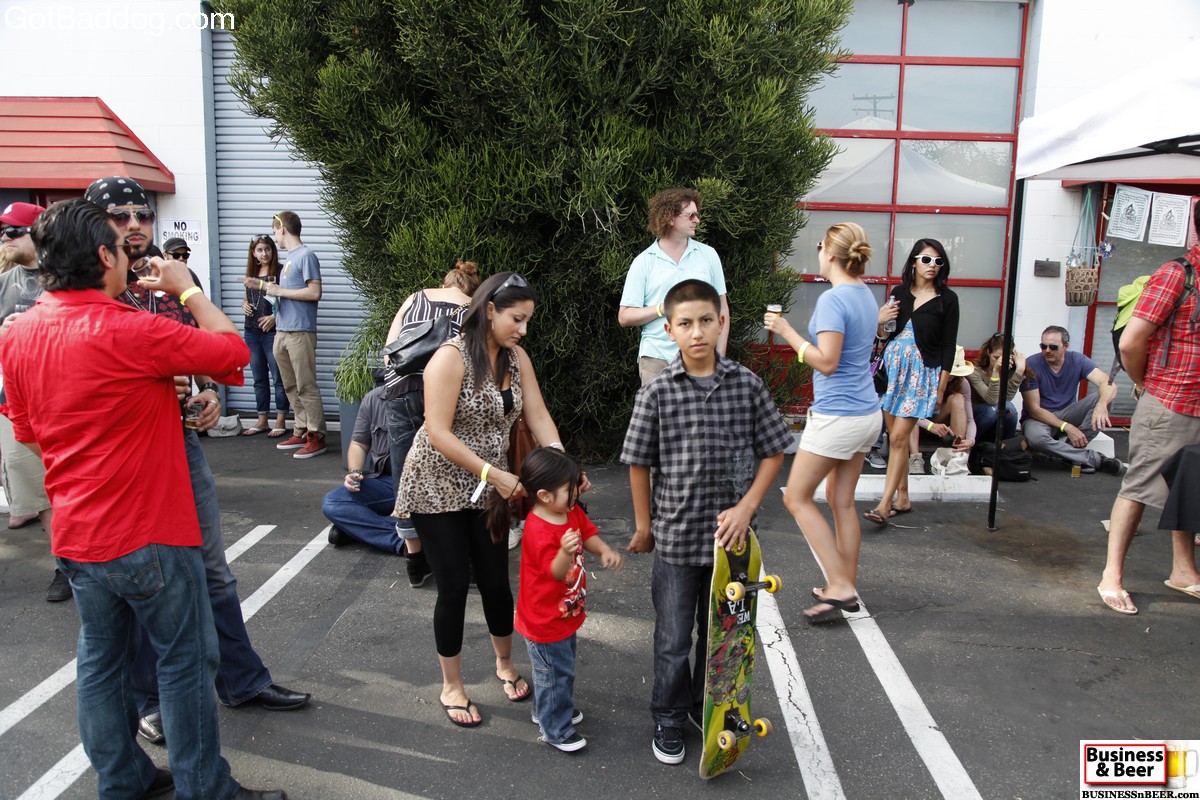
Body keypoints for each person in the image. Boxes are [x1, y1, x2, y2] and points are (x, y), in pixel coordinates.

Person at [0, 197, 285, 800]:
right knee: (185, 661)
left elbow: (26, 432)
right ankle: (204, 788)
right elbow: (232, 352)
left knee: (100, 663)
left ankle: (123, 780)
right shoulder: (131, 328)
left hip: (77, 532)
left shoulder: (19, 332)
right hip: (149, 527)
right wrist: (187, 289)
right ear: (105, 257)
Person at [83, 175, 311, 749]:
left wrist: (206, 394)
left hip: (180, 444)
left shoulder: (168, 281)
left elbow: (206, 358)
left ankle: (240, 680)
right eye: (120, 216)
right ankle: (151, 703)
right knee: (145, 581)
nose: (135, 225)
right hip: (122, 459)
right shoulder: (88, 290)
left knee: (213, 571)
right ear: (95, 225)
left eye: (142, 214)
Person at [621, 278, 791, 765]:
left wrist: (747, 506)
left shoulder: (747, 385)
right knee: (673, 640)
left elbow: (774, 451)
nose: (697, 332)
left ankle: (707, 709)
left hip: (731, 545)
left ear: (721, 323)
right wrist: (644, 526)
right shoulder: (657, 393)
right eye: (685, 323)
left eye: (706, 321)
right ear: (669, 330)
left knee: (724, 638)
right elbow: (638, 463)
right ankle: (669, 715)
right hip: (676, 539)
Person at [396, 271, 574, 728]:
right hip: (436, 482)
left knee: (496, 580)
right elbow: (437, 432)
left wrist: (563, 465)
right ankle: (451, 685)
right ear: (490, 310)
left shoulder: (516, 358)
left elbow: (537, 414)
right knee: (454, 585)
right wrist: (493, 474)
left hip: (490, 484)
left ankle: (504, 663)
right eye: (517, 319)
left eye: (528, 320)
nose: (523, 329)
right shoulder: (450, 357)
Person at [763, 223, 881, 623]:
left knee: (796, 497)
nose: (817, 252)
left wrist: (787, 332)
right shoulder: (864, 294)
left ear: (830, 254)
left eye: (819, 246)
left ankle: (841, 586)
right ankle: (844, 584)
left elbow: (827, 362)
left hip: (838, 416)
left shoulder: (834, 299)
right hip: (866, 413)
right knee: (841, 500)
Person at [1096, 204, 1200, 615]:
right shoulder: (1177, 274)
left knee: (1190, 487)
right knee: (1138, 486)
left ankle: (1183, 571)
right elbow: (1130, 342)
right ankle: (1111, 576)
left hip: (1196, 404)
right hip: (1169, 401)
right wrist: (1147, 383)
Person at [514, 447, 624, 753]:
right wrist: (564, 551)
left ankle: (547, 709)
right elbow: (554, 572)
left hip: (563, 613)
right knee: (555, 674)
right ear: (544, 495)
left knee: (557, 671)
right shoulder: (538, 528)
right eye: (569, 488)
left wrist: (603, 549)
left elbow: (586, 533)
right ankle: (556, 729)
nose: (576, 491)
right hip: (544, 620)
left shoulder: (568, 510)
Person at [384, 260, 480, 588]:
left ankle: (416, 562)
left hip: (400, 391)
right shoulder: (474, 308)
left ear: (446, 282)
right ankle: (464, 562)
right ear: (471, 287)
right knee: (455, 470)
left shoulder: (415, 298)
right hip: (446, 394)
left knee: (405, 473)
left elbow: (388, 351)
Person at [865, 239, 959, 525]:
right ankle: (903, 497)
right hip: (892, 372)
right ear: (915, 262)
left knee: (896, 439)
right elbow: (885, 335)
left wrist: (941, 387)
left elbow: (948, 346)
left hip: (921, 374)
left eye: (938, 261)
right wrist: (879, 321)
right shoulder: (899, 293)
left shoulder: (947, 299)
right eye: (927, 259)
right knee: (897, 440)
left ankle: (884, 505)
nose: (932, 266)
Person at [0, 201, 62, 600]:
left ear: (36, 234)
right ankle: (65, 567)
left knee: (70, 488)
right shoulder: (4, 282)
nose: (4, 238)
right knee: (39, 497)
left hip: (62, 402)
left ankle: (80, 565)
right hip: (15, 404)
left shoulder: (64, 277)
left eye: (11, 231)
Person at [618, 188, 730, 386]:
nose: (697, 220)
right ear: (670, 218)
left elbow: (722, 309)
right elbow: (624, 316)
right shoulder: (644, 262)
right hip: (657, 358)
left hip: (701, 356)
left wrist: (719, 357)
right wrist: (662, 308)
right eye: (690, 215)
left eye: (697, 214)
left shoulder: (709, 255)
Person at [248, 211, 325, 459]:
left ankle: (316, 435)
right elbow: (285, 294)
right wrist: (267, 289)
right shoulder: (290, 258)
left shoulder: (306, 256)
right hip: (282, 330)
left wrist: (280, 291)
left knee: (305, 384)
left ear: (282, 229)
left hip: (300, 331)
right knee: (290, 384)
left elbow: (314, 292)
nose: (274, 237)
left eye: (274, 231)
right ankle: (301, 428)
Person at [1019, 325, 1123, 475]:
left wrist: (1101, 405)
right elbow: (1034, 410)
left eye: (1053, 347)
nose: (1047, 350)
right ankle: (1095, 459)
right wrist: (1067, 427)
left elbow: (1108, 384)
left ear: (1066, 346)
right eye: (1043, 346)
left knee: (1106, 397)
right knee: (1037, 439)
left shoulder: (1077, 360)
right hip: (1039, 418)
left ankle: (1072, 451)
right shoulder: (1031, 364)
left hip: (1067, 413)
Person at [322, 384, 406, 555]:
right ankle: (403, 541)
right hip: (386, 482)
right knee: (333, 502)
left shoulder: (431, 394)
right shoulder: (374, 398)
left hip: (422, 486)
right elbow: (358, 444)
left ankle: (360, 529)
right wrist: (355, 472)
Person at [240, 234, 289, 437]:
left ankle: (280, 419)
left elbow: (288, 300)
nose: (264, 253)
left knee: (278, 376)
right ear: (253, 253)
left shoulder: (280, 272)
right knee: (259, 377)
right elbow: (246, 297)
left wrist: (274, 317)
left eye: (267, 249)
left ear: (273, 250)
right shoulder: (251, 273)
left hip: (272, 331)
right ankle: (262, 420)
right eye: (259, 250)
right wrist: (244, 305)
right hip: (252, 330)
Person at [908, 345, 977, 472]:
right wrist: (930, 426)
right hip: (917, 421)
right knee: (911, 415)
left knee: (958, 398)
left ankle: (958, 455)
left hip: (941, 421)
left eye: (955, 373)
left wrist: (970, 439)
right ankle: (915, 459)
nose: (951, 376)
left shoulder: (962, 383)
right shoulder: (922, 377)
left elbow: (970, 419)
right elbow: (907, 411)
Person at [968, 333, 1026, 442]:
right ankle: (973, 443)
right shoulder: (975, 372)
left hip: (995, 421)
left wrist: (1019, 372)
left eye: (1004, 358)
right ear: (988, 352)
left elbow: (1007, 398)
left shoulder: (1009, 370)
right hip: (977, 418)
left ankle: (1005, 445)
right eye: (996, 357)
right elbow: (991, 400)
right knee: (992, 410)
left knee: (1009, 408)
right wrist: (995, 373)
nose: (1000, 362)